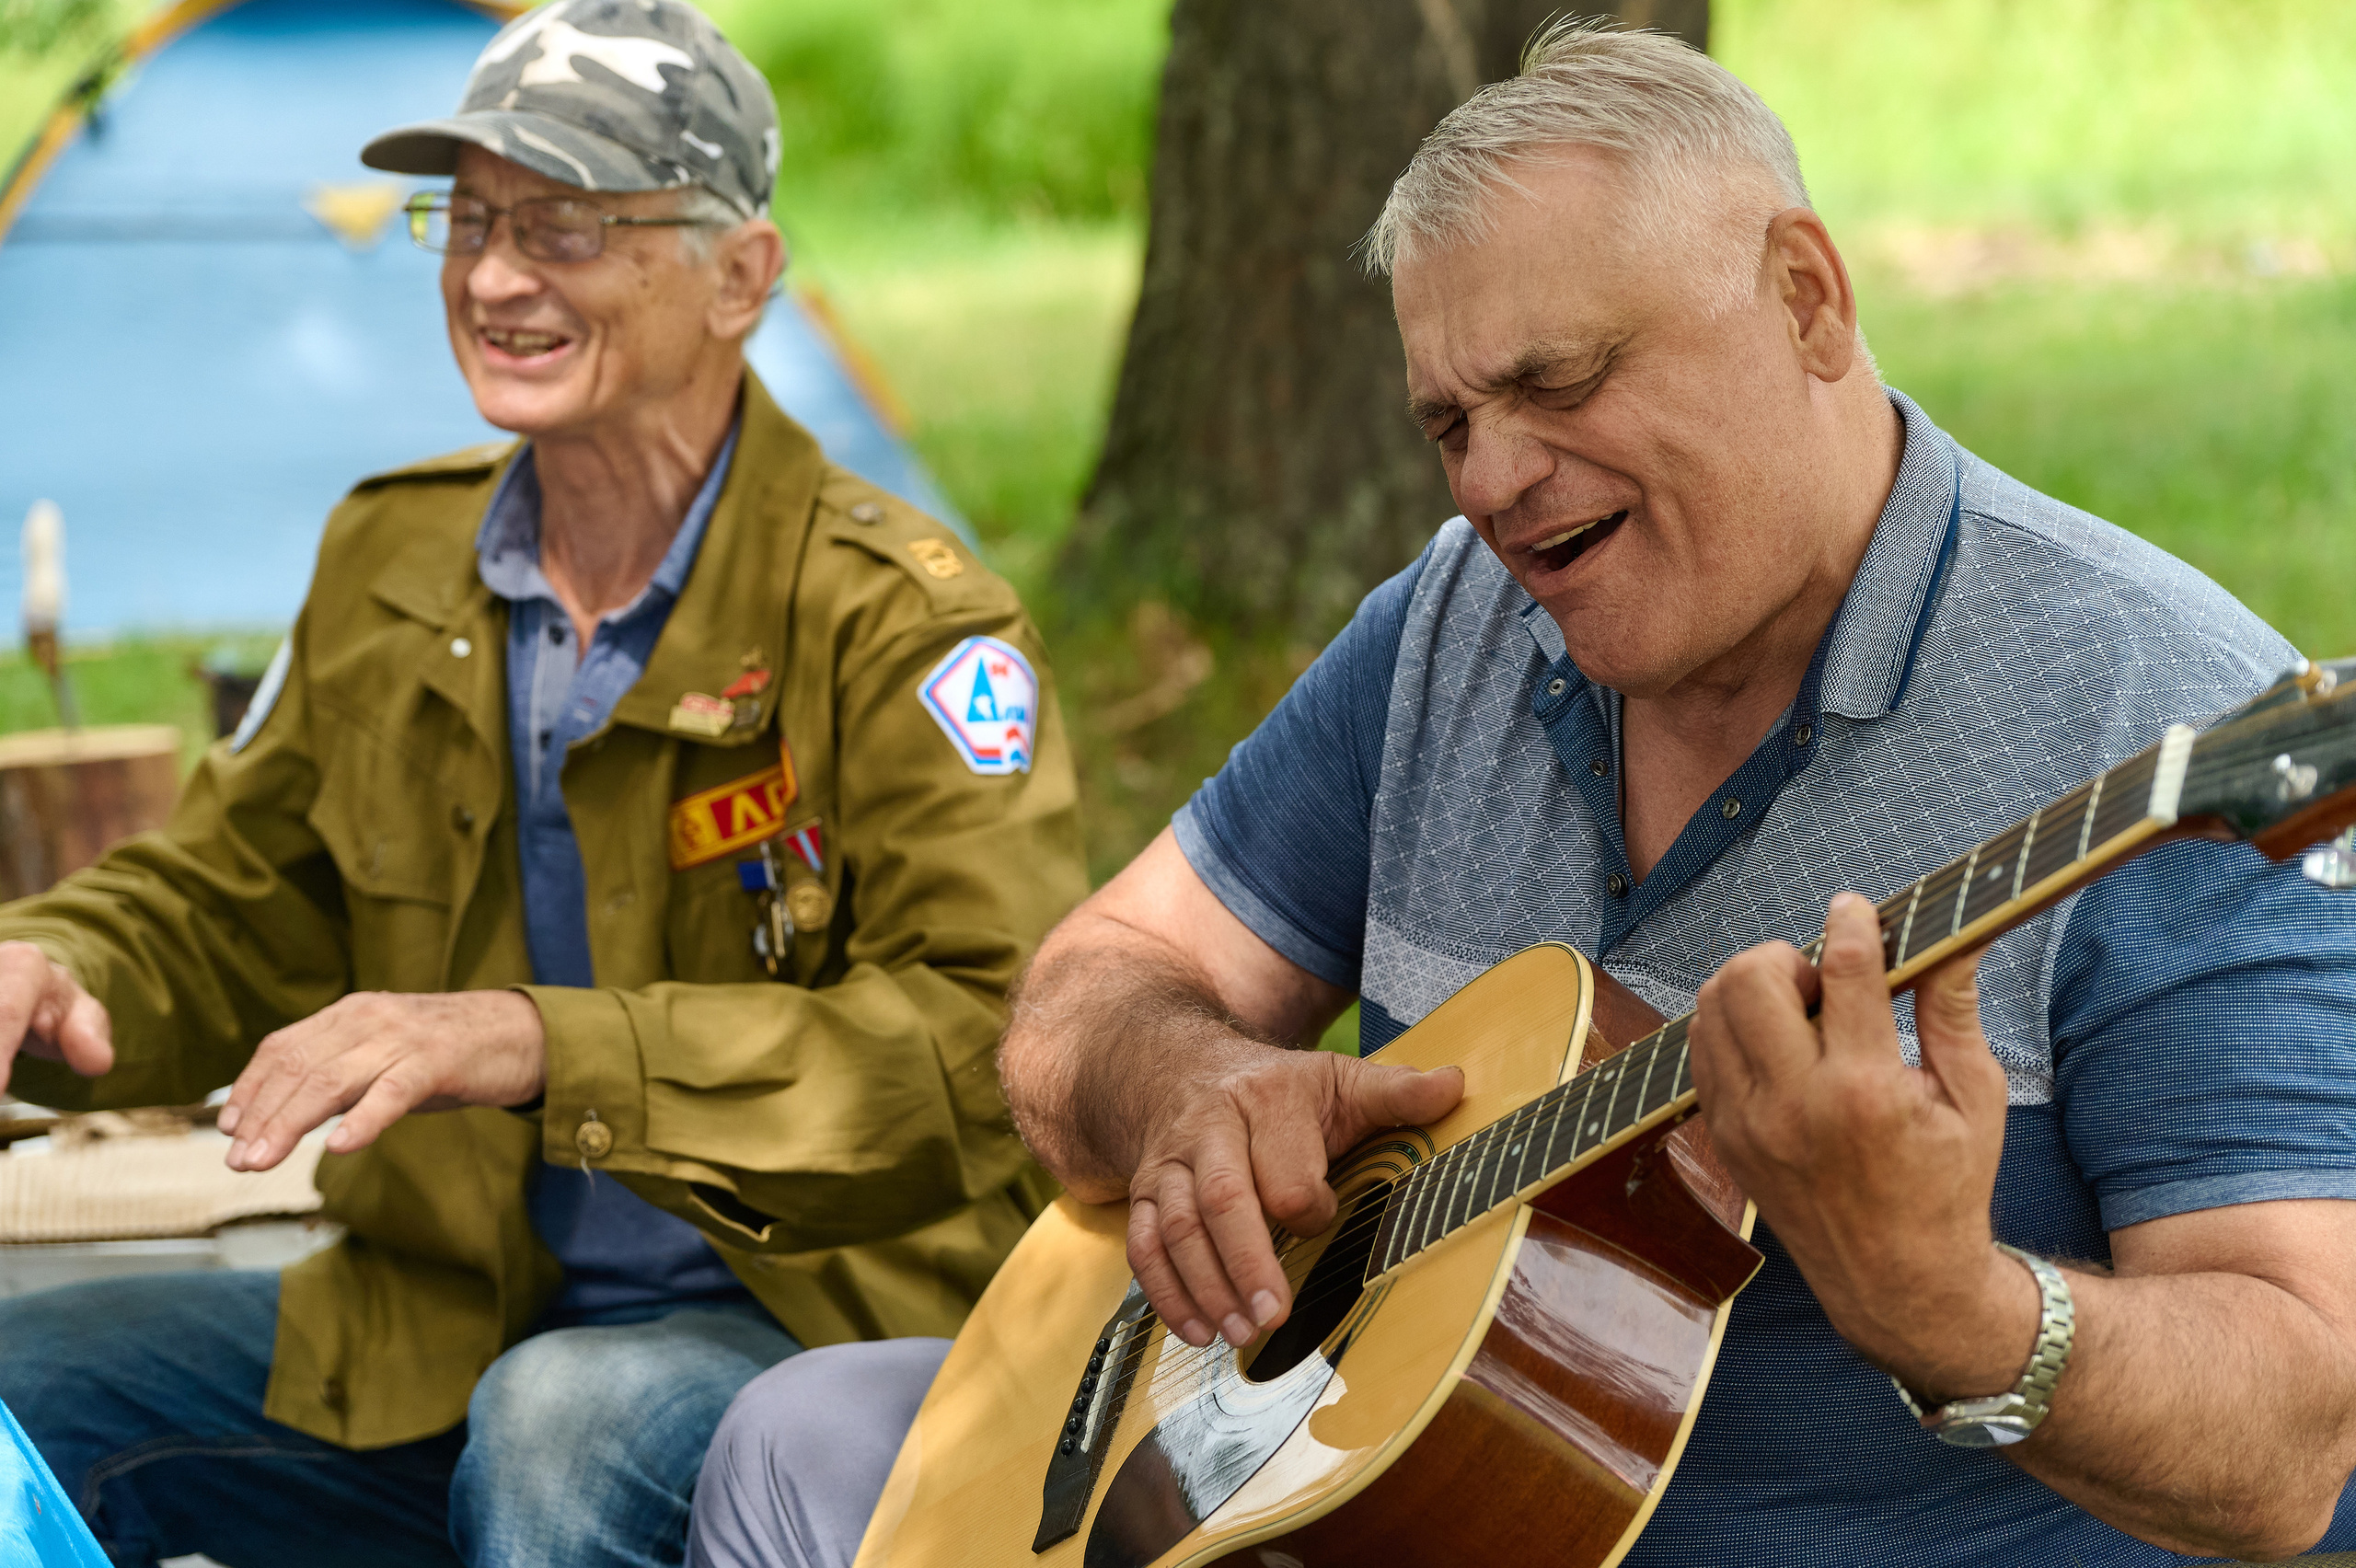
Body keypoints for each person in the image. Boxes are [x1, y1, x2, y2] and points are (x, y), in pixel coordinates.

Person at [683, 22, 2356, 1568]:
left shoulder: (2159, 718)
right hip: (1343, 1504)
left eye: (1559, 384)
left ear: (1804, 299)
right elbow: (1087, 990)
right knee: (788, 1440)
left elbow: (2293, 1442)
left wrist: (1959, 1315)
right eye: (1448, 423)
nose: (1489, 481)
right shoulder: (1457, 624)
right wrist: (1191, 1084)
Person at [0, 4, 1086, 1565]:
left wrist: (532, 1042)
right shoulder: (390, 554)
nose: (495, 277)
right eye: (470, 220)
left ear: (741, 276)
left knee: (560, 1424)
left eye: (566, 226)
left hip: (808, 1335)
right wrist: (61, 967)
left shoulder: (902, 622)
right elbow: (234, 899)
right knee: (23, 1388)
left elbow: (988, 1046)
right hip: (432, 1323)